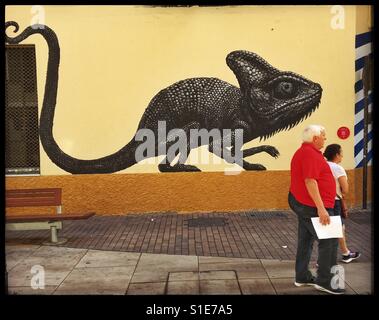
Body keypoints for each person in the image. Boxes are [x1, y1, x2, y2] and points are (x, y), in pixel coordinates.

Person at [288, 124, 344, 294]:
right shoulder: (309, 154)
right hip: (312, 206)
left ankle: (302, 276)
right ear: (315, 138)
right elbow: (310, 181)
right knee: (330, 240)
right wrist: (321, 209)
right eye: (323, 136)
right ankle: (325, 281)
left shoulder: (307, 152)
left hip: (305, 203)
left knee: (305, 240)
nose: (325, 139)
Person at [323, 144, 361, 263]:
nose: (342, 156)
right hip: (334, 201)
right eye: (341, 153)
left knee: (333, 228)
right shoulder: (338, 168)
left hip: (322, 201)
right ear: (336, 155)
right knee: (335, 228)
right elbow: (345, 189)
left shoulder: (322, 165)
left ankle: (345, 252)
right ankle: (326, 259)